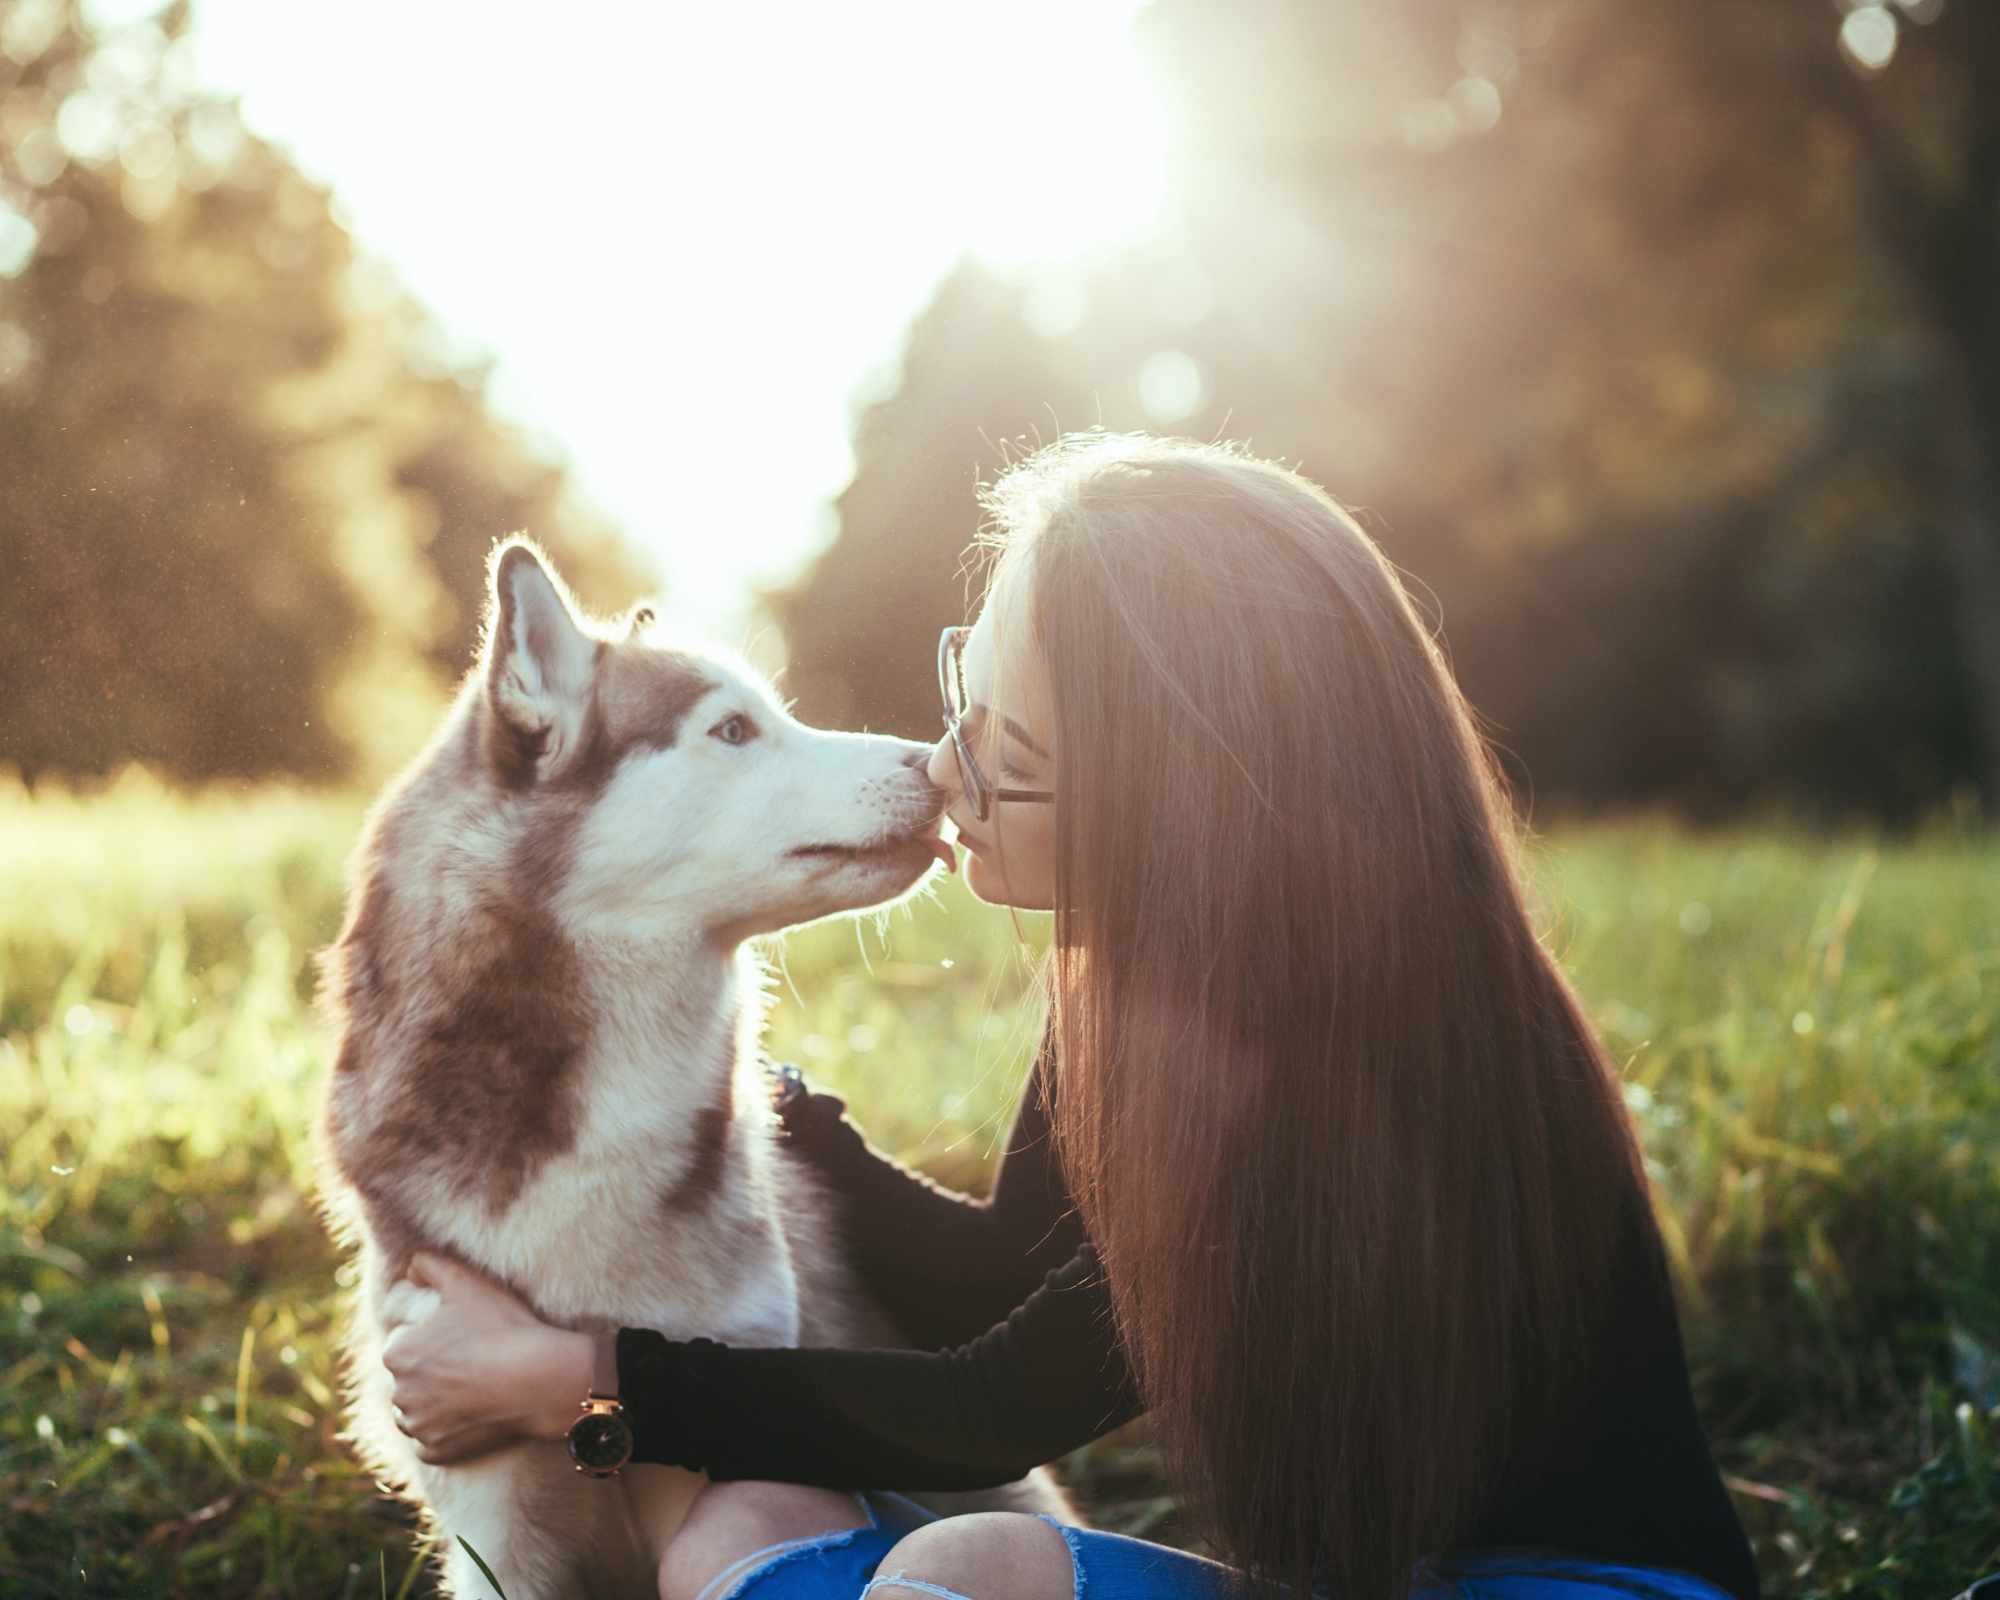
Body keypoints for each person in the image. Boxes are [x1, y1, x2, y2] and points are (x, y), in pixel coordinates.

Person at [383, 434, 1762, 1600]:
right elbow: (1004, 1278)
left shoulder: (1335, 1066)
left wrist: (580, 1379)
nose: (941, 769)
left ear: (1175, 808)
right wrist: (788, 1128)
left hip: (1585, 1590)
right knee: (749, 1528)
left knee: (962, 1551)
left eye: (1009, 751)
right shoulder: (1142, 988)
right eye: (961, 697)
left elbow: (1001, 1404)